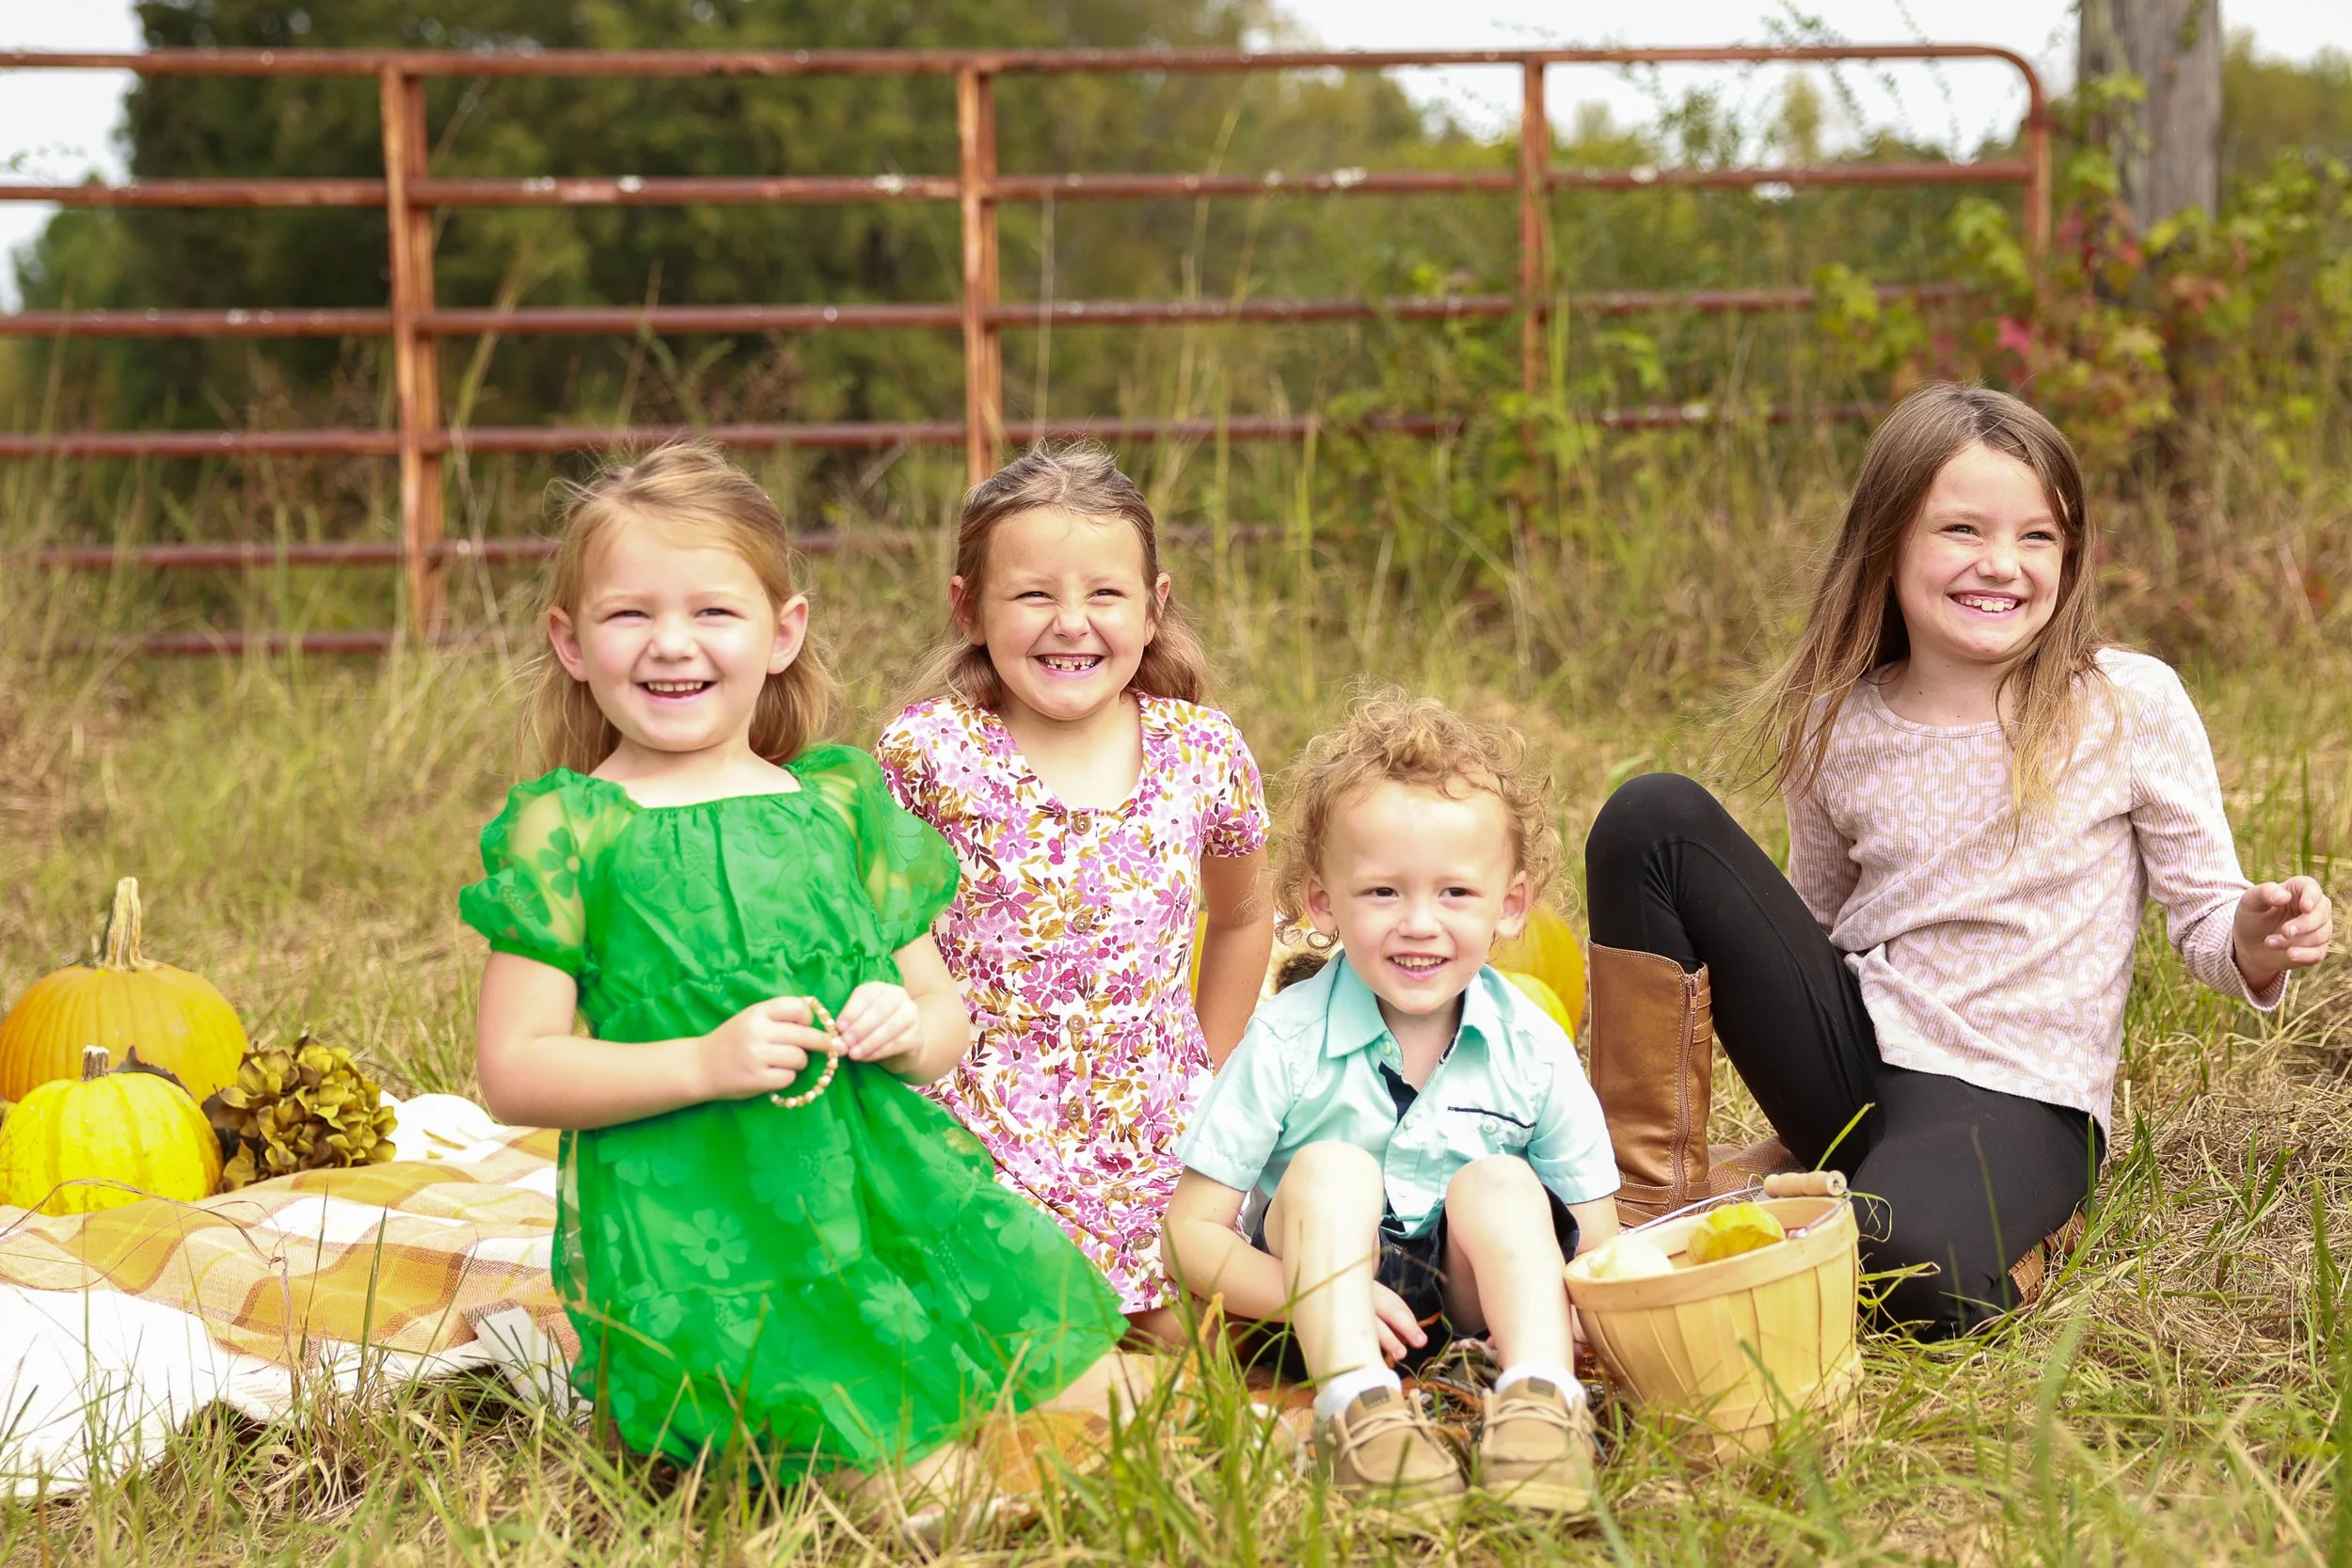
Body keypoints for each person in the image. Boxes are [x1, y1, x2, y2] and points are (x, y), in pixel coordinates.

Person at [1581, 383, 2335, 1338]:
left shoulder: (2124, 704)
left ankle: (2019, 1228)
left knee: (1899, 1262)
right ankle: (1636, 1206)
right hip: (1852, 1057)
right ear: (1888, 540)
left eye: (2037, 537)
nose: (2000, 564)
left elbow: (2204, 921)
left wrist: (2256, 930)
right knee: (1653, 815)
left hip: (2012, 1091)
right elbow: (1809, 924)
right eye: (1962, 529)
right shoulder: (1835, 717)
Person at [457, 441, 1130, 1493]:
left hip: (883, 1199)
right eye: (630, 613)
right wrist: (702, 1063)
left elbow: (942, 1016)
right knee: (918, 1495)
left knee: (1105, 1400)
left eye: (712, 612)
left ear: (783, 632)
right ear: (571, 640)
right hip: (704, 1244)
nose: (671, 645)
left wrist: (904, 1026)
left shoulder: (836, 805)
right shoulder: (570, 828)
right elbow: (514, 1069)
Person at [1162, 691, 1620, 1521]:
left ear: (1510, 905)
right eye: (1381, 892)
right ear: (1322, 903)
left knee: (1502, 1185)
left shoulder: (1533, 1047)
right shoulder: (1285, 1041)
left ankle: (1541, 1403)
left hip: (1477, 1311)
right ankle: (1358, 1414)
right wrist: (1306, 1293)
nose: (1419, 925)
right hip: (1324, 1317)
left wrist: (1569, 1321)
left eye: (1455, 893)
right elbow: (1190, 1236)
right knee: (1331, 1169)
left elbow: (1597, 1239)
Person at [877, 444, 1273, 1344]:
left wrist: (1210, 1073)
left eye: (1104, 594)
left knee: (1192, 1346)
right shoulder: (931, 754)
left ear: (1153, 607)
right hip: (981, 1128)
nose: (1071, 623)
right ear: (968, 606)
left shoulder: (1200, 752)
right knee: (1017, 1342)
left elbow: (1245, 914)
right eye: (1033, 595)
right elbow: (881, 932)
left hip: (1152, 1132)